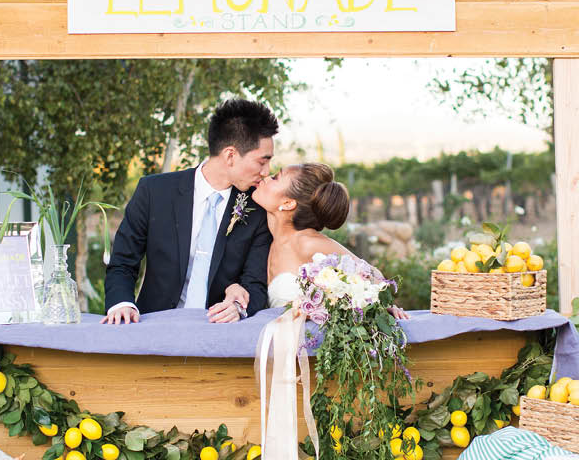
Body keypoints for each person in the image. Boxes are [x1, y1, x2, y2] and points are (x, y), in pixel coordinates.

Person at [102, 98, 278, 324]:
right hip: (152, 328)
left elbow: (255, 283)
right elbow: (123, 263)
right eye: (262, 161)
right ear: (230, 155)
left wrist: (237, 307)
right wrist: (122, 304)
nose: (266, 171)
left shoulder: (257, 210)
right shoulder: (154, 191)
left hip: (219, 337)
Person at [252, 163, 409, 319]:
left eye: (275, 177)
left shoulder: (306, 243)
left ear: (288, 203)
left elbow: (374, 276)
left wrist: (380, 306)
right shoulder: (266, 240)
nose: (266, 177)